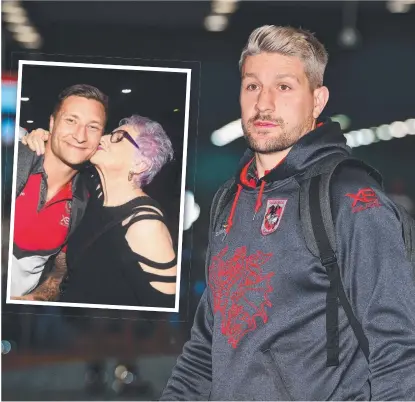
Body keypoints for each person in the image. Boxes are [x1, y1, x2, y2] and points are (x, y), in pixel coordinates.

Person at [160, 25, 415, 400]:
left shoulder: (351, 200)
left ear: (317, 100)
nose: (264, 103)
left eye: (284, 87)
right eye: (252, 86)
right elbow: (203, 352)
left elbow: (398, 356)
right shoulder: (230, 201)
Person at [22, 115, 177, 308]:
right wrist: (41, 141)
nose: (102, 138)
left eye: (119, 138)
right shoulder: (91, 191)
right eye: (110, 134)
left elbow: (164, 314)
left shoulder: (145, 224)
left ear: (140, 164)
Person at [10, 84, 108, 298]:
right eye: (71, 120)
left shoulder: (85, 202)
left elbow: (59, 272)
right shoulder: (14, 162)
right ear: (52, 123)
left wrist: (31, 300)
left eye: (93, 127)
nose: (80, 136)